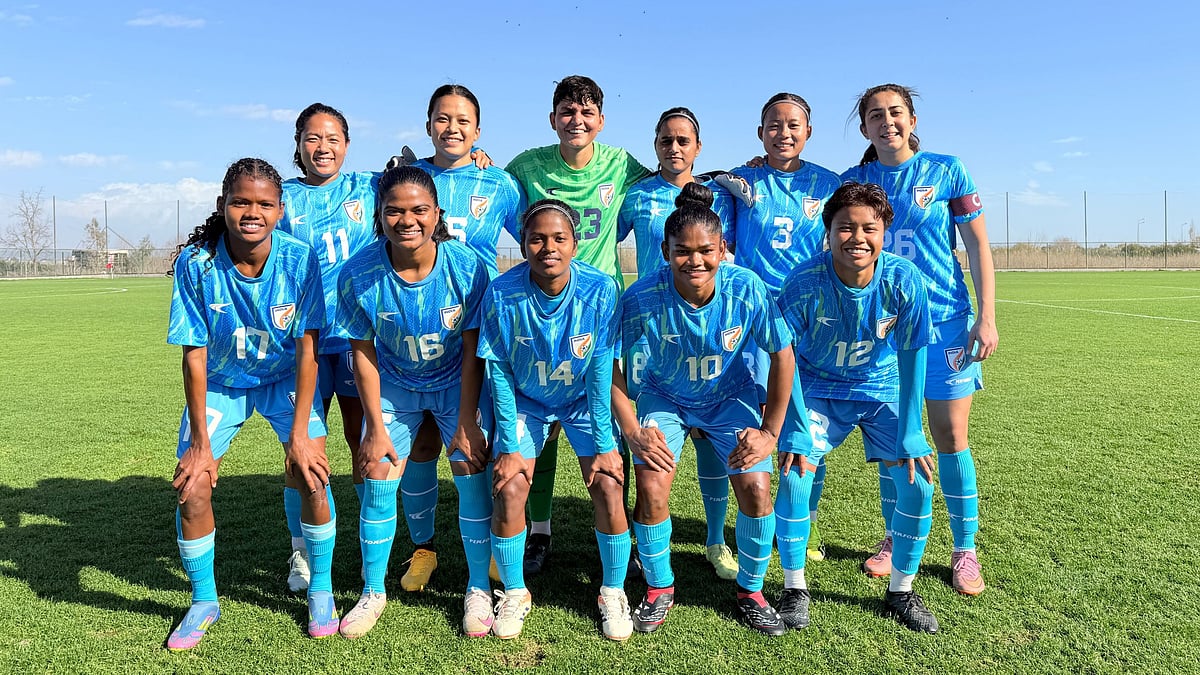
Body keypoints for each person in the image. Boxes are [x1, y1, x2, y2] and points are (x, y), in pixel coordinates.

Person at [166, 158, 336, 649]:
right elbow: (193, 354)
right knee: (192, 485)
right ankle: (204, 601)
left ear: (281, 211)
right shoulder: (196, 263)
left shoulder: (299, 258)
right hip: (222, 382)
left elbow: (308, 349)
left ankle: (320, 590)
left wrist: (301, 435)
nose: (252, 212)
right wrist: (200, 443)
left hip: (283, 378)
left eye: (264, 203)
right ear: (222, 206)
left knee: (312, 472)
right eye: (241, 201)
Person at [614, 183, 796, 636]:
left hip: (728, 397)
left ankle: (751, 591)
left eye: (706, 251)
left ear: (723, 249)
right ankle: (659, 589)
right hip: (665, 396)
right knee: (652, 483)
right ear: (664, 250)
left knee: (755, 486)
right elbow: (607, 365)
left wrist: (770, 432)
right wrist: (633, 427)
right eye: (682, 251)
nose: (695, 261)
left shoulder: (746, 288)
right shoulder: (641, 297)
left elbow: (783, 355)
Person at [841, 84, 998, 596]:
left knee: (950, 437)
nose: (887, 122)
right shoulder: (856, 180)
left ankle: (964, 549)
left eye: (895, 113)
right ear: (864, 127)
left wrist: (987, 316)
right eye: (875, 116)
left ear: (911, 119)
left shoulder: (948, 170)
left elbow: (977, 246)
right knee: (893, 441)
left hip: (947, 323)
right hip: (883, 328)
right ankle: (895, 536)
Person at [333, 166, 493, 638]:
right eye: (394, 211)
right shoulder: (357, 272)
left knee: (469, 466)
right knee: (379, 471)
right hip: (396, 385)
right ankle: (372, 591)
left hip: (454, 383)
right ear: (379, 216)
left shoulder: (467, 267)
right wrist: (375, 427)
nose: (407, 220)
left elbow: (472, 349)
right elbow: (361, 352)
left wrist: (466, 418)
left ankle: (479, 587)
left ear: (437, 214)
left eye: (419, 210)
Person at [775, 181, 939, 633]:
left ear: (885, 231)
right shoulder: (805, 282)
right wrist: (793, 425)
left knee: (918, 481)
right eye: (846, 227)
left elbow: (912, 354)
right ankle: (794, 589)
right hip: (818, 388)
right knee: (793, 474)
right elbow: (782, 354)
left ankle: (902, 592)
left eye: (870, 227)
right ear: (828, 231)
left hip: (880, 388)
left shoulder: (905, 280)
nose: (858, 238)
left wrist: (911, 430)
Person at [504, 75, 651, 575]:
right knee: (537, 425)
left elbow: (664, 184)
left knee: (610, 420)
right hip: (539, 309)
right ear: (553, 119)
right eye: (568, 111)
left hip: (599, 312)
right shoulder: (525, 166)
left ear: (601, 121)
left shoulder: (622, 164)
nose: (577, 120)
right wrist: (480, 158)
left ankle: (623, 534)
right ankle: (539, 531)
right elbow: (499, 201)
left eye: (587, 112)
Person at [479, 200, 632, 641]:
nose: (548, 247)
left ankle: (612, 590)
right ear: (523, 243)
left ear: (575, 242)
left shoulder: (601, 289)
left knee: (607, 482)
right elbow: (500, 371)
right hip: (526, 400)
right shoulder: (502, 292)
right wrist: (508, 445)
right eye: (537, 238)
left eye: (558, 238)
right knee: (509, 487)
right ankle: (514, 592)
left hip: (583, 401)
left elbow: (602, 370)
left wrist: (605, 443)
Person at [397, 85, 526, 592]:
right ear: (428, 124)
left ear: (478, 129)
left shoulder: (501, 184)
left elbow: (540, 235)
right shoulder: (404, 180)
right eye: (442, 118)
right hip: (413, 334)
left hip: (478, 333)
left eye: (463, 120)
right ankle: (423, 549)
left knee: (482, 442)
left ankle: (494, 545)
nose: (452, 128)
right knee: (423, 443)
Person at [616, 106, 740, 579]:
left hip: (708, 328)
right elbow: (606, 237)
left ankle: (714, 540)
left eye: (683, 140)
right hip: (650, 327)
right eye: (666, 140)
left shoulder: (720, 197)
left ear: (698, 147)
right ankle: (634, 532)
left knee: (712, 438)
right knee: (643, 437)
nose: (674, 148)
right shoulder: (637, 194)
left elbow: (730, 256)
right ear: (655, 145)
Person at [724, 93, 842, 559]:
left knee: (809, 426)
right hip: (754, 322)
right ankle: (754, 518)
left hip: (812, 322)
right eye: (774, 125)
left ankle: (803, 522)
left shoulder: (829, 184)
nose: (784, 133)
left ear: (808, 132)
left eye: (793, 125)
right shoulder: (741, 182)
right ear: (760, 133)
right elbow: (697, 192)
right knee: (754, 422)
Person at [277, 103, 378, 593]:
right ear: (297, 144)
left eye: (333, 137)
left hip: (359, 340)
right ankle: (302, 553)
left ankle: (366, 551)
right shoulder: (282, 198)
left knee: (366, 447)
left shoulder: (367, 186)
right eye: (313, 138)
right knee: (303, 451)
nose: (323, 147)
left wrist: (479, 156)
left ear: (347, 144)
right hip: (303, 345)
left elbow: (430, 176)